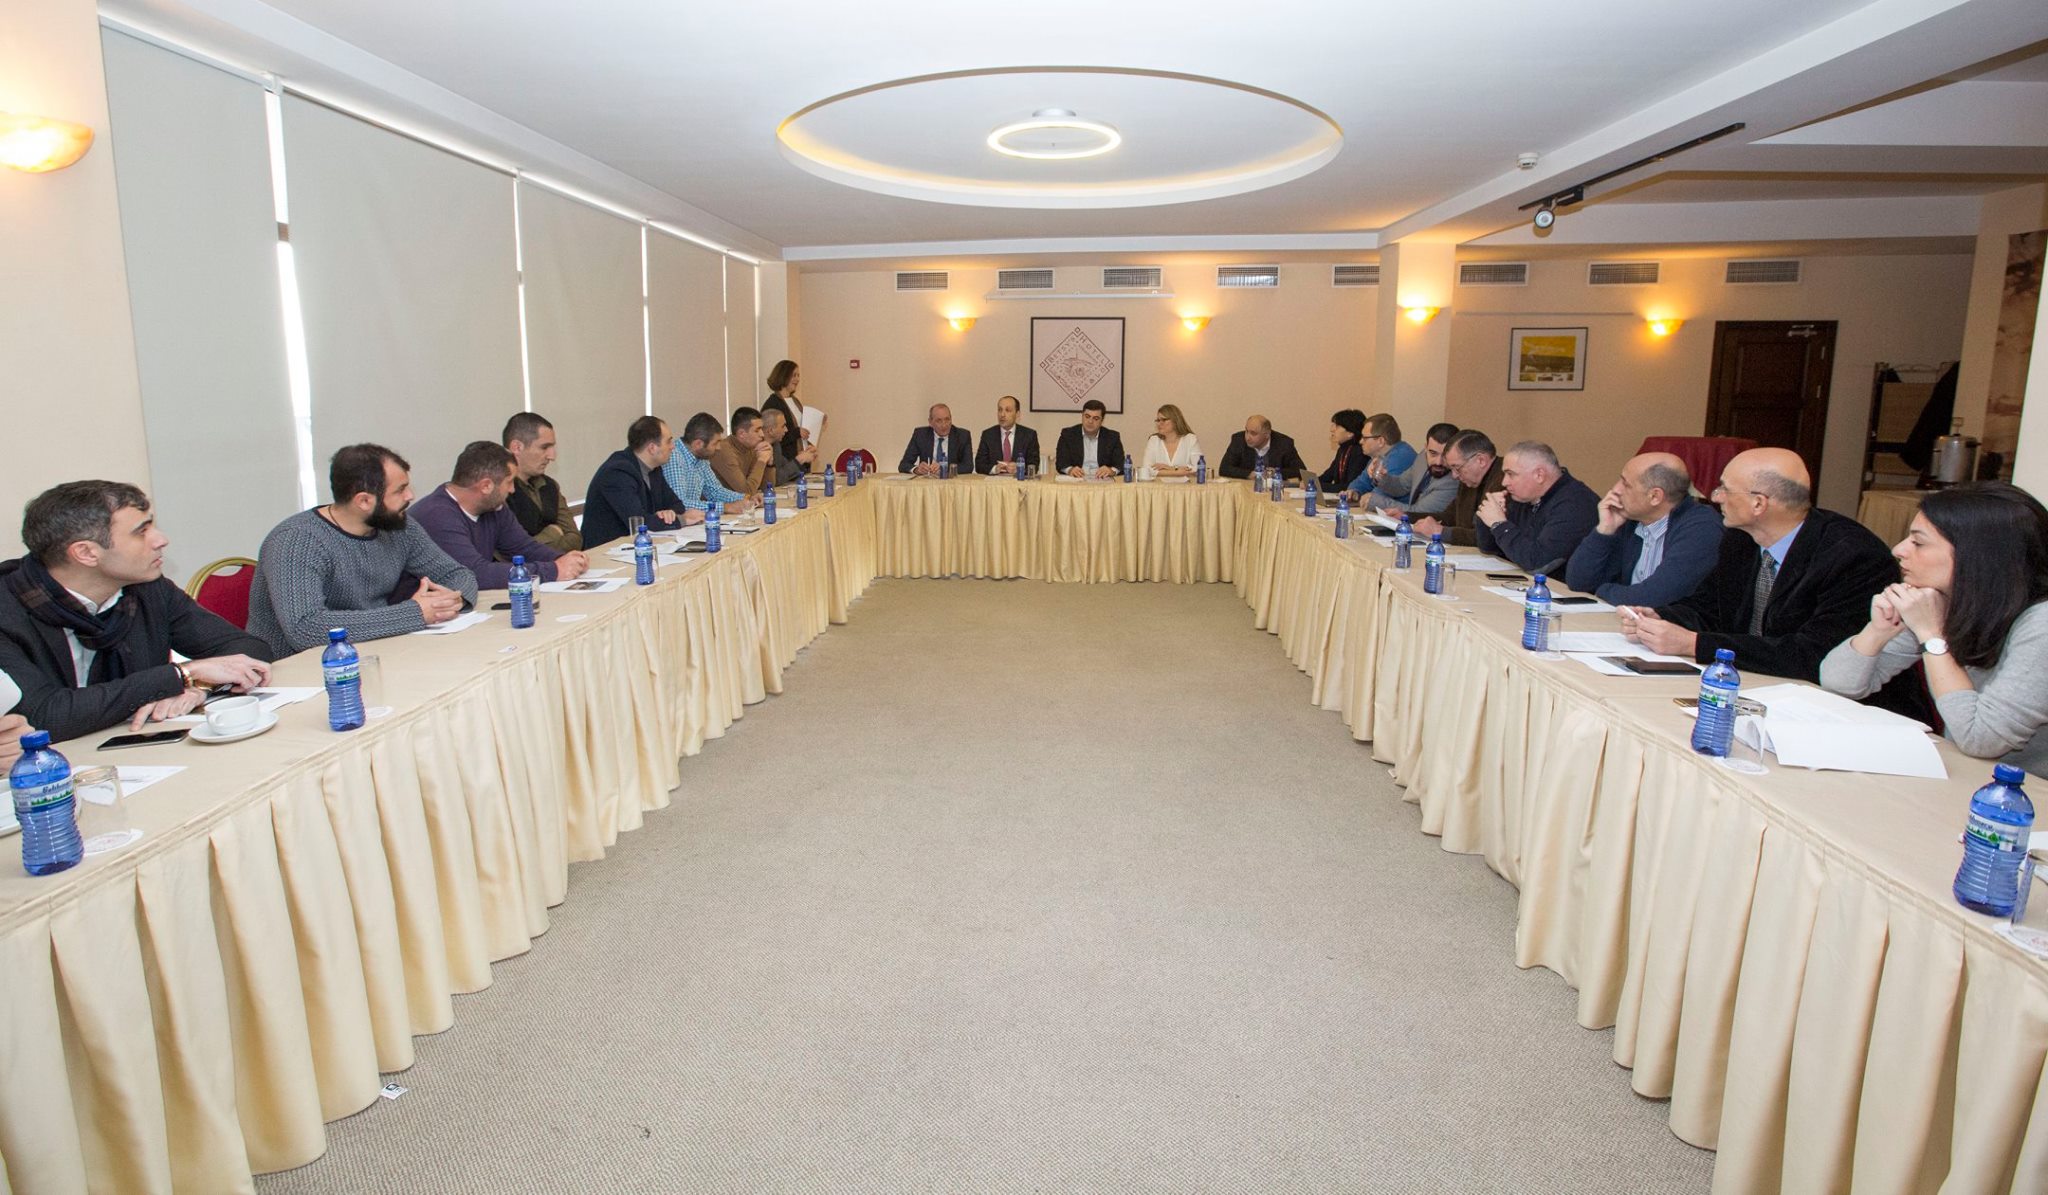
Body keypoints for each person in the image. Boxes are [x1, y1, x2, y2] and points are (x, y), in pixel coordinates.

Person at [0, 481, 272, 740]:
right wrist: (180, 676)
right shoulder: (7, 611)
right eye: (142, 531)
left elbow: (248, 649)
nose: (161, 540)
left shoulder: (146, 589)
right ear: (86, 553)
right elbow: (43, 716)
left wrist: (198, 687)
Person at [1822, 483, 2048, 773]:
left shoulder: (2040, 623)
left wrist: (1932, 637)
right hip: (1968, 773)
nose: (1898, 550)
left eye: (1918, 543)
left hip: (2024, 791)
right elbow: (1839, 683)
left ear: (1976, 554)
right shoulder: (1946, 599)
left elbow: (1981, 739)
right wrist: (1878, 631)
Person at [1625, 448, 1899, 682]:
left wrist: (1695, 644)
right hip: (1753, 680)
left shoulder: (1853, 556)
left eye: (1725, 489)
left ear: (1758, 503)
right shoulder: (1740, 539)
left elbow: (1812, 653)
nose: (1716, 497)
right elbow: (1710, 607)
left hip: (1832, 703)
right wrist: (1662, 617)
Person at [249, 445, 478, 656]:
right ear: (364, 501)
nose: (410, 496)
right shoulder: (297, 541)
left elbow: (457, 574)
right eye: (400, 490)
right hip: (301, 668)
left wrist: (452, 599)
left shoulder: (399, 526)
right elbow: (305, 629)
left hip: (376, 652)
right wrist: (415, 613)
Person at [412, 441, 590, 588]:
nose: (512, 490)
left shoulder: (494, 506)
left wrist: (562, 559)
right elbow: (475, 573)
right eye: (509, 482)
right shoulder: (437, 516)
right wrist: (553, 570)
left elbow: (524, 547)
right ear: (486, 486)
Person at [1563, 453, 1722, 606]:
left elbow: (1654, 597)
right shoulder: (1630, 519)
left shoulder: (1702, 528)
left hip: (1670, 623)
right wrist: (1605, 530)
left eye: (1625, 484)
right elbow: (1578, 581)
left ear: (1655, 496)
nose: (1615, 489)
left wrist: (1601, 590)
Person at [1471, 441, 1600, 573]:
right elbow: (1490, 548)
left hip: (1562, 584)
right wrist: (1487, 516)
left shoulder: (1575, 505)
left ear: (1539, 475)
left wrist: (1499, 524)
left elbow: (1538, 563)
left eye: (1511, 474)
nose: (1504, 482)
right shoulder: (1522, 497)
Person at [584, 416, 699, 546]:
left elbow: (677, 504)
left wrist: (670, 513)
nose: (673, 447)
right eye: (668, 442)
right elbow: (638, 522)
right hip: (606, 550)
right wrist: (682, 520)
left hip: (638, 544)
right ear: (652, 448)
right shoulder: (618, 472)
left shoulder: (654, 469)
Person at [502, 411, 581, 551]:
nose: (552, 456)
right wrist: (553, 533)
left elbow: (575, 539)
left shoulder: (550, 485)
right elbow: (513, 553)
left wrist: (537, 545)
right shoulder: (499, 491)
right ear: (517, 447)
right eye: (544, 447)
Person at [1412, 430, 1504, 546]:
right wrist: (1405, 517)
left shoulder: (1505, 481)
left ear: (1481, 460)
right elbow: (1449, 517)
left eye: (1457, 467)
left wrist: (1441, 532)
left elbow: (1490, 538)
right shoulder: (1469, 480)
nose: (1454, 476)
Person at [663, 413, 750, 519]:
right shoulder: (674, 456)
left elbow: (715, 491)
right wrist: (725, 507)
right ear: (698, 444)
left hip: (693, 522)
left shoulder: (700, 457)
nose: (718, 448)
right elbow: (680, 504)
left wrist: (746, 498)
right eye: (715, 443)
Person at [1366, 423, 1461, 518]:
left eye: (1445, 455)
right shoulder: (1422, 457)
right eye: (1433, 453)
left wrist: (1375, 502)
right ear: (1426, 448)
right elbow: (1401, 485)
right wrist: (1380, 476)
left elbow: (1417, 513)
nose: (1438, 462)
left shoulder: (1453, 481)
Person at [1346, 413, 1423, 502]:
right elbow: (1361, 482)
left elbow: (1378, 497)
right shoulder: (1378, 456)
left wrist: (1363, 498)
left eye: (1365, 438)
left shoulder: (1399, 458)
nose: (1360, 441)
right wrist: (1354, 492)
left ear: (1380, 441)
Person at [761, 359, 818, 472]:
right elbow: (771, 436)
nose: (797, 379)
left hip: (802, 459)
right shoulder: (772, 403)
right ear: (783, 375)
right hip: (786, 462)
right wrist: (797, 433)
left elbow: (802, 428)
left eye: (798, 375)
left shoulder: (795, 401)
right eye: (794, 375)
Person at [1218, 416, 1307, 482]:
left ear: (1267, 434)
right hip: (1246, 490)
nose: (1247, 437)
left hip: (1273, 491)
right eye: (1246, 431)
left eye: (1253, 433)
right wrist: (1249, 474)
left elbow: (1301, 471)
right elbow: (1224, 469)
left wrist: (1275, 473)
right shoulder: (1238, 440)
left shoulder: (1284, 444)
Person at [710, 406, 775, 496]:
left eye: (762, 429)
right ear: (742, 434)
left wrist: (769, 463)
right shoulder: (723, 451)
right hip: (714, 504)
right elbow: (746, 492)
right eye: (757, 430)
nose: (762, 434)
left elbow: (768, 489)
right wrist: (761, 461)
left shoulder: (751, 448)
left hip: (737, 502)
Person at [1056, 400, 1127, 479]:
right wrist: (1070, 470)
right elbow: (1060, 463)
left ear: (1102, 420)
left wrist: (1111, 471)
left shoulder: (1112, 437)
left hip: (1102, 481)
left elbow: (1120, 464)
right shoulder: (1068, 435)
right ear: (1082, 416)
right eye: (1087, 416)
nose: (1090, 421)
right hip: (1076, 481)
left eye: (1096, 418)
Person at [899, 403, 974, 475]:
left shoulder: (962, 436)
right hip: (927, 481)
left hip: (951, 481)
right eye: (939, 421)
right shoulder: (920, 435)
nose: (944, 425)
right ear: (930, 422)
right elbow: (904, 465)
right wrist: (917, 469)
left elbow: (968, 466)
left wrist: (944, 468)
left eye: (947, 419)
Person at [974, 395, 1041, 476]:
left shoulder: (1029, 435)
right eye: (1000, 410)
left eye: (1008, 410)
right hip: (994, 482)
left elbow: (1034, 465)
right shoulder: (988, 435)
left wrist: (1019, 468)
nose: (1002, 414)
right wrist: (995, 469)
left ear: (1017, 414)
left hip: (1019, 482)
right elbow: (979, 465)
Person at [1139, 404, 1204, 480]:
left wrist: (1170, 468)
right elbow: (1147, 469)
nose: (1160, 423)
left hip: (1185, 486)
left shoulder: (1190, 439)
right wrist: (1177, 472)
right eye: (1158, 420)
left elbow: (1198, 468)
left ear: (1175, 421)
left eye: (1164, 420)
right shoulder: (1154, 440)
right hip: (1159, 486)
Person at [1318, 409, 1369, 491]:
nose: (1332, 429)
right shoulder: (1342, 450)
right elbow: (1327, 476)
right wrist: (1310, 482)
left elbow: (1349, 486)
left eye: (1337, 426)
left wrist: (1317, 486)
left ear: (1350, 433)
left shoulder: (1360, 452)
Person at [763, 407, 813, 486]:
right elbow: (775, 480)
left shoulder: (776, 445)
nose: (786, 430)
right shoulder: (758, 448)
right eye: (783, 426)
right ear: (771, 430)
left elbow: (787, 470)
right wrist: (799, 460)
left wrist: (804, 458)